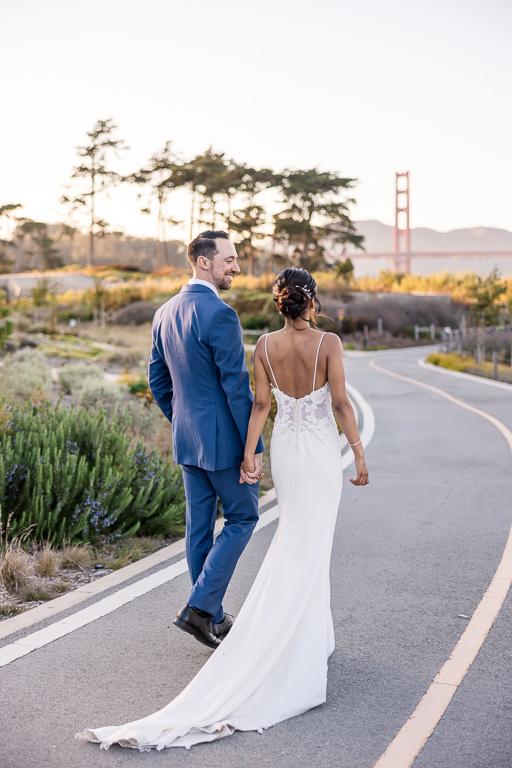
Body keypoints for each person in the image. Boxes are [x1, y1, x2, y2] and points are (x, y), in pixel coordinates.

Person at [77, 267, 369, 751]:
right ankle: (284, 638)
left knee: (294, 537)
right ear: (311, 302)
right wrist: (357, 451)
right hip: (319, 455)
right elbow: (340, 404)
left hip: (285, 453)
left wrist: (252, 452)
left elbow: (259, 405)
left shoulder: (263, 347)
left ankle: (310, 635)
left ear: (280, 303)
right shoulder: (329, 344)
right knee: (310, 543)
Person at [146, 230, 264, 649]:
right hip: (222, 442)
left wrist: (181, 419)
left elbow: (157, 381)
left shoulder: (164, 312)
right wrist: (253, 449)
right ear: (203, 262)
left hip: (187, 439)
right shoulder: (220, 314)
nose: (236, 267)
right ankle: (199, 610)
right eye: (229, 259)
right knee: (244, 517)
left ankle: (208, 613)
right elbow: (237, 387)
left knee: (198, 529)